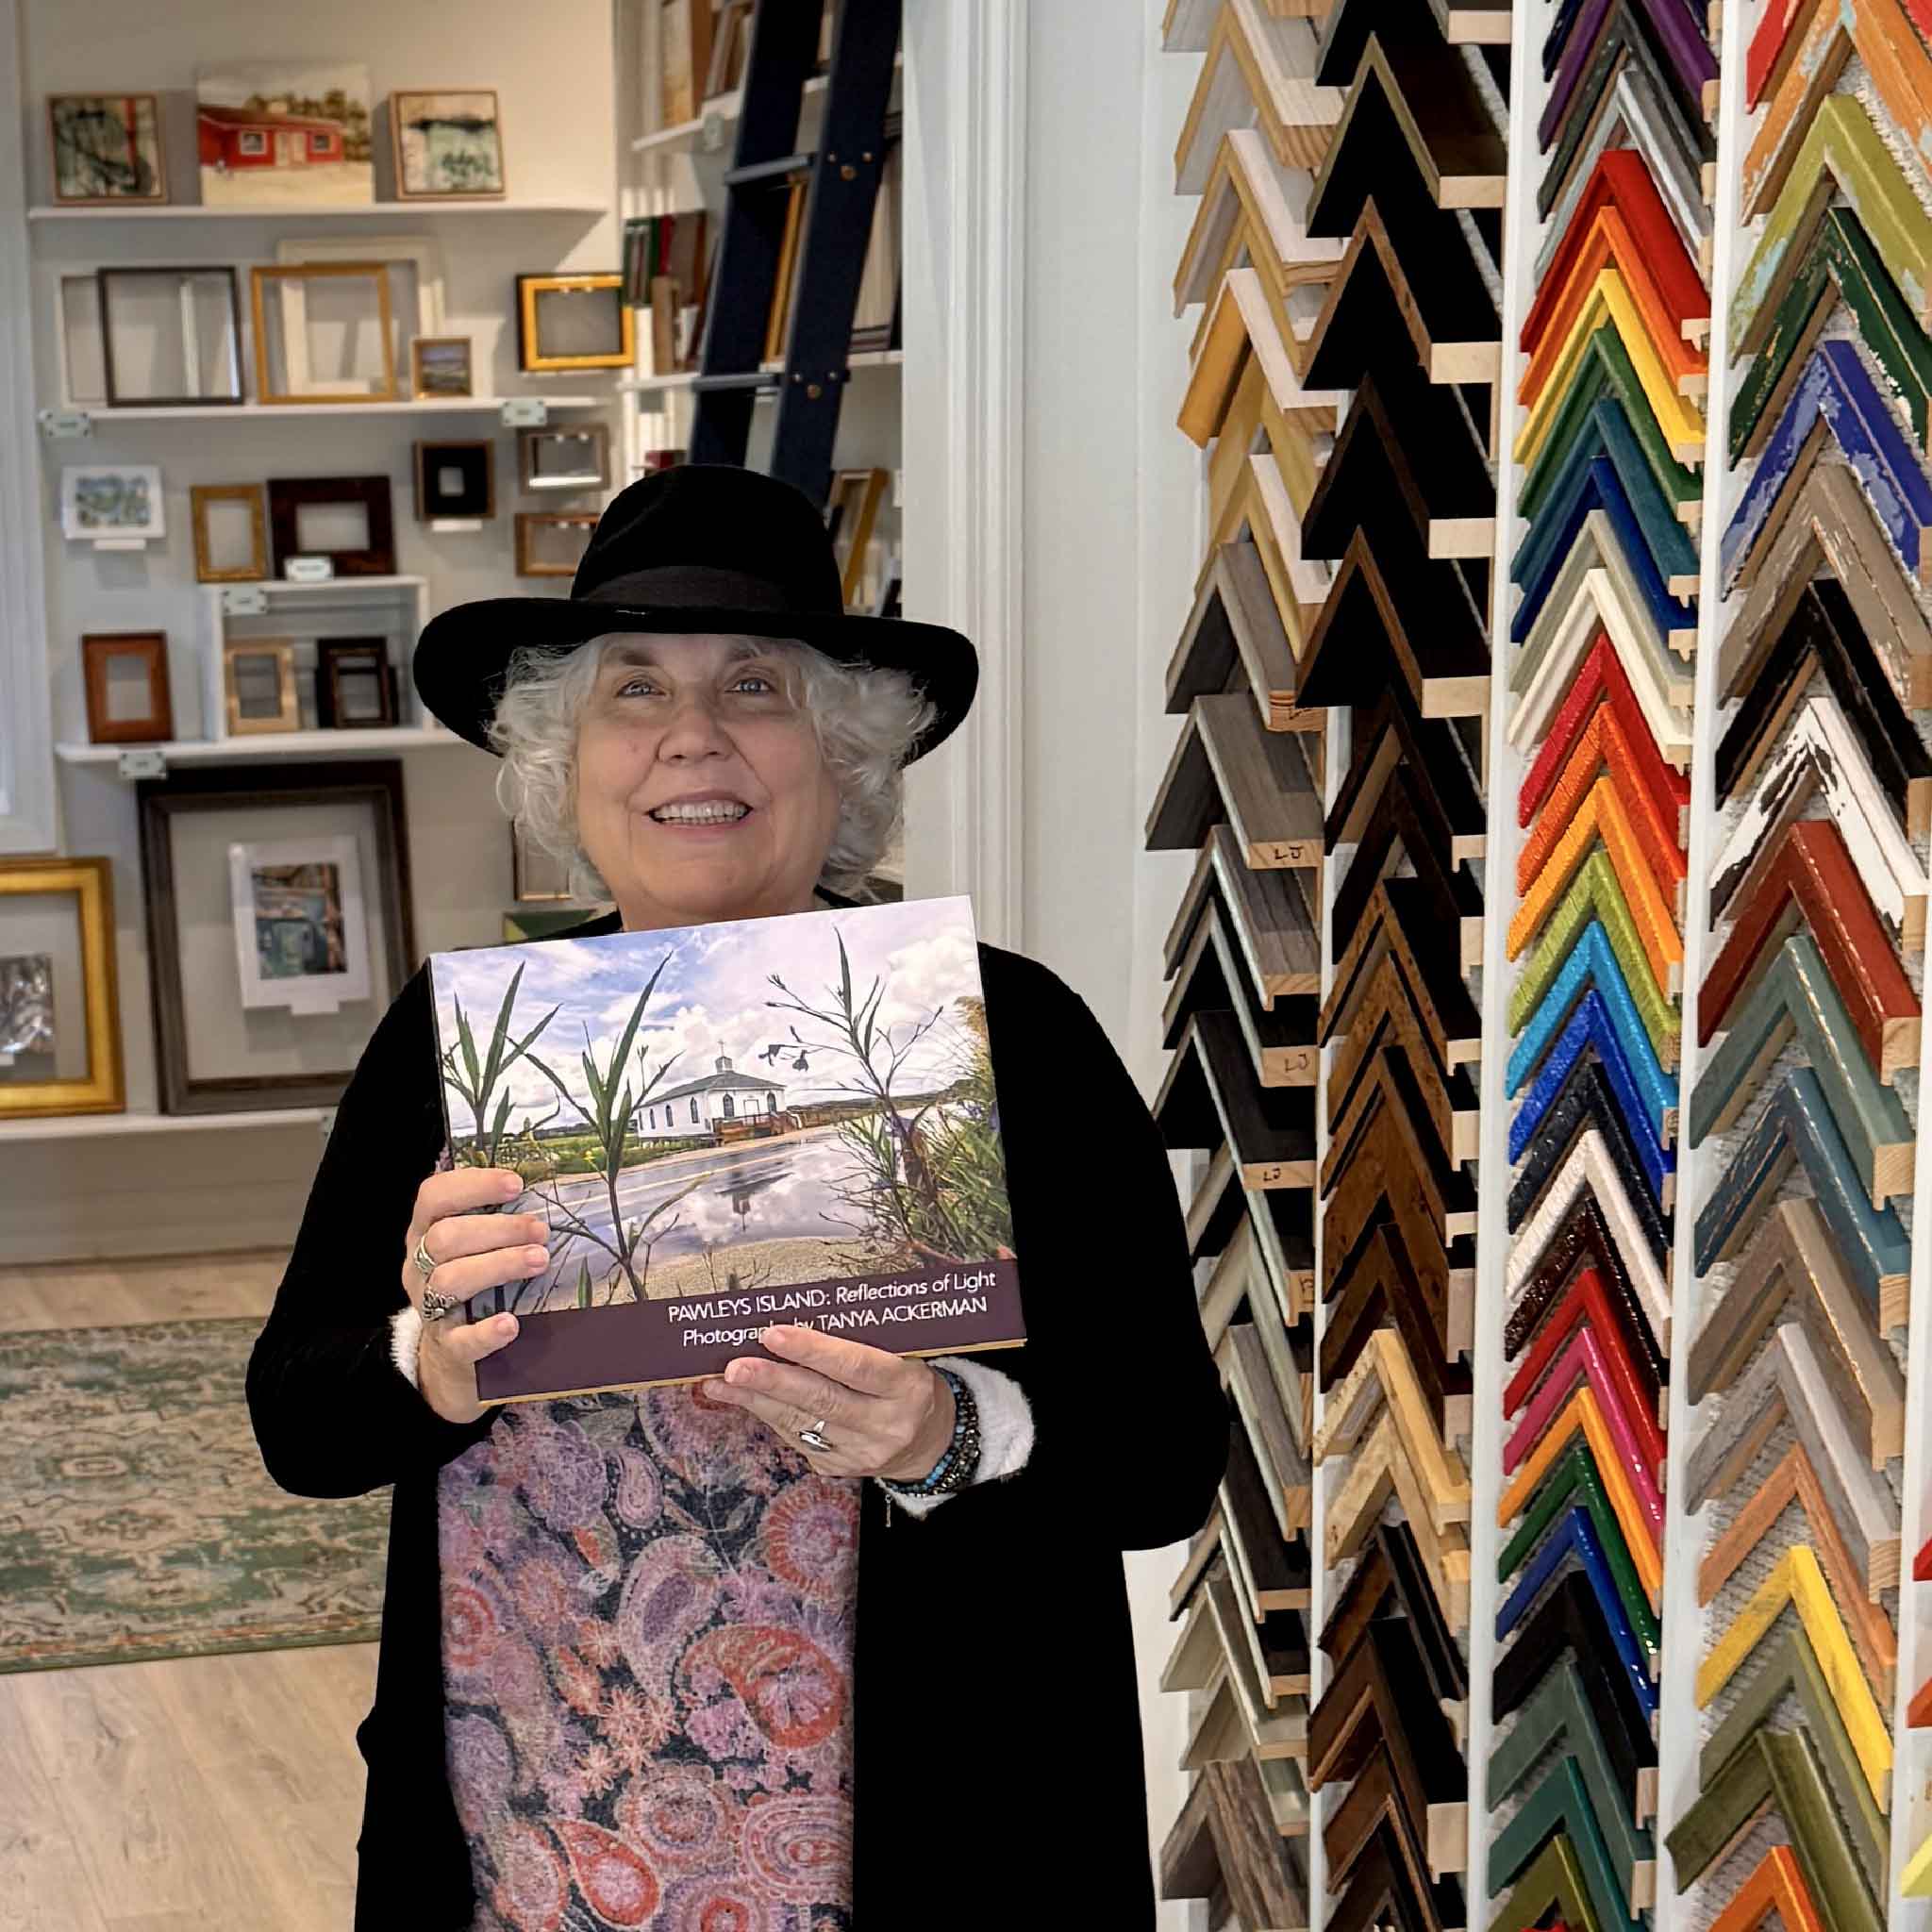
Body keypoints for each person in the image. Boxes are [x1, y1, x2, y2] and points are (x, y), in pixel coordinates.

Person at [245, 463, 1227, 1930]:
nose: (691, 736)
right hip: (529, 1839)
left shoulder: (1007, 1036)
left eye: (754, 687)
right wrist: (426, 1360)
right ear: (564, 766)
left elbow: (1163, 1460)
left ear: (842, 760)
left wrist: (952, 1429)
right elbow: (298, 1421)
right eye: (631, 692)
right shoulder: (459, 1042)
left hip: (940, 1843)